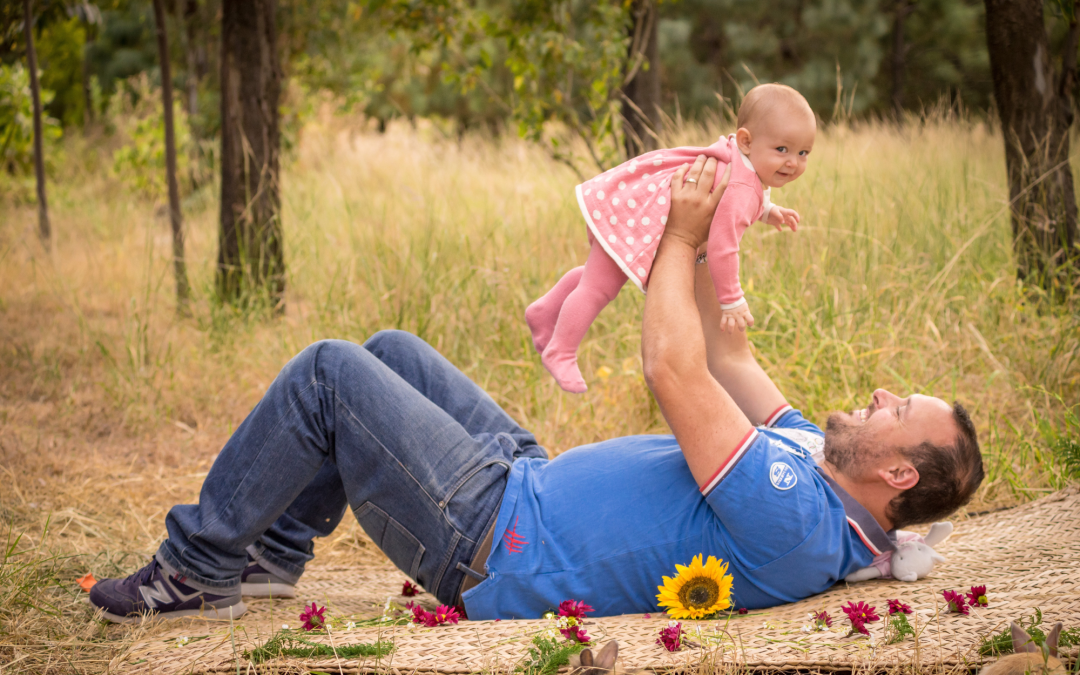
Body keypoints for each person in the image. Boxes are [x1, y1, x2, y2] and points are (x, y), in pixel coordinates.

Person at [88, 155, 984, 625]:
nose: (878, 391)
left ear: (899, 476)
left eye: (898, 410)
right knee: (389, 350)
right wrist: (720, 234)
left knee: (329, 371)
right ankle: (275, 552)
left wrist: (676, 240)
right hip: (527, 482)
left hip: (492, 541)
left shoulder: (796, 512)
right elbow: (727, 359)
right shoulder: (810, 463)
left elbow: (675, 372)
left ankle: (197, 569)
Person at [526, 83, 813, 393]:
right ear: (746, 140)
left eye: (803, 153)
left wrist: (767, 210)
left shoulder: (740, 160)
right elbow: (723, 247)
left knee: (598, 276)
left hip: (633, 204)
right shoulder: (744, 187)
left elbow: (731, 199)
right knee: (598, 287)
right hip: (640, 215)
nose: (793, 162)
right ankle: (562, 350)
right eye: (782, 150)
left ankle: (544, 312)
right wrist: (731, 299)